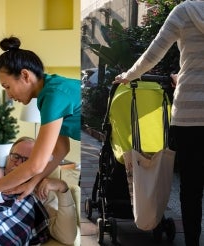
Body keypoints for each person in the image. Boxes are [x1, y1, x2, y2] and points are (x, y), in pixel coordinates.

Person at [113, 1, 204, 245]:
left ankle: (193, 242)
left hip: (189, 115)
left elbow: (154, 52)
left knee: (192, 187)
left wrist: (129, 76)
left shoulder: (186, 11)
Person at [0, 36, 81, 206]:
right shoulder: (49, 91)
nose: (8, 95)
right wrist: (31, 183)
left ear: (25, 75)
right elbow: (61, 148)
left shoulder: (54, 96)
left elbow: (35, 165)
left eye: (7, 86)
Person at [0, 137, 78, 245]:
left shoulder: (42, 193)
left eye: (28, 161)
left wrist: (63, 188)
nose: (19, 163)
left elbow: (67, 237)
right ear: (8, 157)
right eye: (15, 156)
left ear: (36, 166)